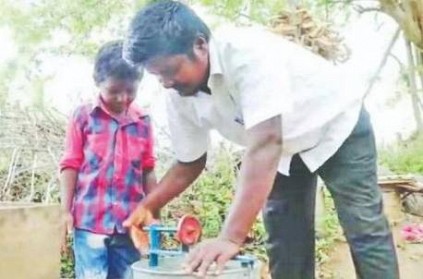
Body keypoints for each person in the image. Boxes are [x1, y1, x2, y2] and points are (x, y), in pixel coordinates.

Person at [122, 1, 399, 278]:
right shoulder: (179, 95)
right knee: (286, 242)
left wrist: (231, 237)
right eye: (158, 76)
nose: (167, 82)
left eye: (170, 70)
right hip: (283, 153)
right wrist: (150, 205)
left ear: (200, 45)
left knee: (364, 228)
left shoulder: (247, 52)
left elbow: (266, 141)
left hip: (336, 127)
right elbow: (189, 162)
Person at [59, 40, 156, 279]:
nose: (123, 98)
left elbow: (148, 170)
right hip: (90, 223)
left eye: (130, 91)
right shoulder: (83, 117)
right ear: (98, 82)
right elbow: (70, 165)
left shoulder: (143, 121)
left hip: (130, 225)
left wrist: (155, 214)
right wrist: (64, 211)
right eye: (114, 91)